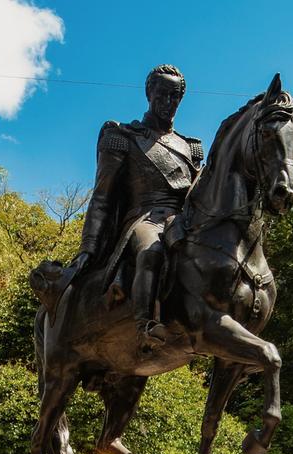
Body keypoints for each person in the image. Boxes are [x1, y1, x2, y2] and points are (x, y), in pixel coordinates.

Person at [62, 65, 202, 351]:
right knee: (152, 251)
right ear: (149, 93)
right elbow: (102, 196)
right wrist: (88, 248)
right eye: (163, 94)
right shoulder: (123, 136)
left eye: (175, 96)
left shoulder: (191, 147)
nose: (168, 102)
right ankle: (145, 326)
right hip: (144, 218)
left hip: (182, 220)